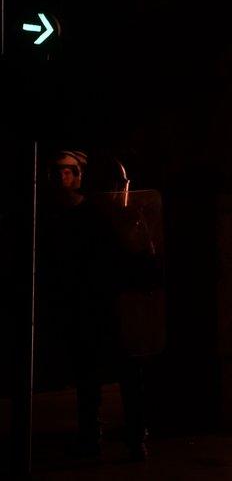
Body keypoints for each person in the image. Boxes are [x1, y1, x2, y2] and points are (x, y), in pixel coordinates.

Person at [38, 150, 149, 461]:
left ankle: (126, 438)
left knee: (117, 376)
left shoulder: (101, 216)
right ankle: (104, 438)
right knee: (96, 376)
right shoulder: (82, 217)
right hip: (94, 306)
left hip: (110, 307)